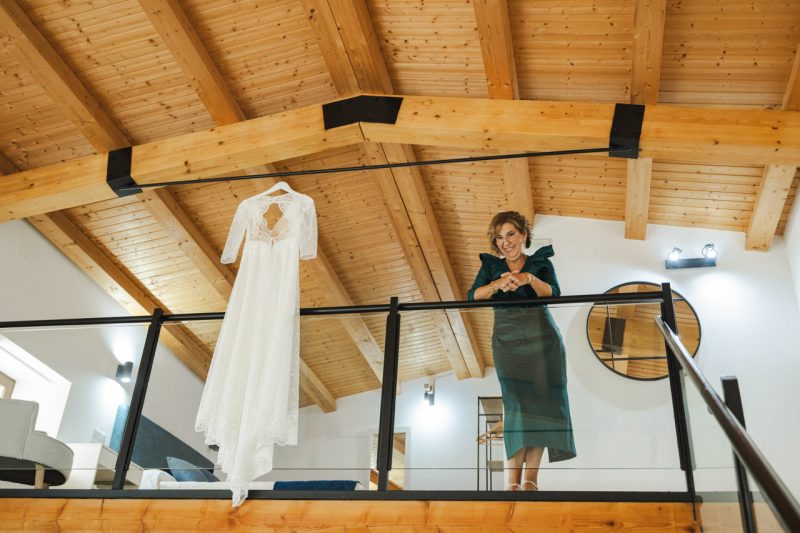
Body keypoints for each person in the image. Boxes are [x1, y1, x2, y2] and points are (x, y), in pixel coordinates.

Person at [467, 211, 576, 491]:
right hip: (507, 340)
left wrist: (528, 278)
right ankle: (512, 482)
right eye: (499, 238)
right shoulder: (491, 266)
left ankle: (530, 481)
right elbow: (472, 296)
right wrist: (497, 285)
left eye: (511, 234)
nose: (505, 242)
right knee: (516, 406)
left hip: (542, 339)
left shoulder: (540, 263)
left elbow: (553, 293)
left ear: (524, 235)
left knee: (541, 406)